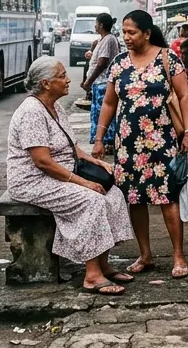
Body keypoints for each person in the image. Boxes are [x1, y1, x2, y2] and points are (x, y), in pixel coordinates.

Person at [7, 57, 134, 295]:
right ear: (45, 83)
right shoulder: (32, 111)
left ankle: (104, 264)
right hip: (32, 180)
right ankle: (92, 275)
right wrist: (83, 182)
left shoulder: (55, 106)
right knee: (91, 199)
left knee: (113, 193)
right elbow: (42, 160)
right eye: (62, 76)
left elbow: (70, 145)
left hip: (60, 173)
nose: (68, 80)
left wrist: (93, 160)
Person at [92, 10, 188, 279]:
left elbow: (184, 97)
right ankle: (145, 255)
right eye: (124, 32)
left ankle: (178, 255)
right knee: (135, 198)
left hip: (161, 140)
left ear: (147, 34)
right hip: (128, 143)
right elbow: (109, 103)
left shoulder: (167, 58)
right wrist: (100, 138)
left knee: (167, 196)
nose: (126, 37)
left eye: (132, 32)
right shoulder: (119, 64)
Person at [80, 13, 120, 145]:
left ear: (101, 25)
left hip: (103, 83)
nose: (95, 26)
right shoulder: (103, 40)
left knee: (104, 114)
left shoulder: (109, 39)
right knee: (97, 114)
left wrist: (89, 81)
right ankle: (101, 141)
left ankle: (106, 142)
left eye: (96, 23)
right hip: (99, 83)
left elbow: (102, 62)